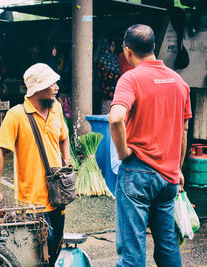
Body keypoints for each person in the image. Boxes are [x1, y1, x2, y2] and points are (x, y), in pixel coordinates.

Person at [109, 24, 191, 267]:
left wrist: (123, 152)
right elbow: (183, 133)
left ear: (127, 50)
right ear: (154, 47)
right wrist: (178, 168)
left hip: (138, 173)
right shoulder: (179, 82)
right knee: (167, 245)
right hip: (168, 177)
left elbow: (115, 119)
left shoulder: (130, 79)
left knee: (132, 249)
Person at [0, 63, 70, 266]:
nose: (56, 87)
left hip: (57, 197)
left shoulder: (57, 108)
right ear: (39, 87)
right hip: (30, 203)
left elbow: (64, 137)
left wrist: (66, 162)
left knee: (55, 250)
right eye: (52, 83)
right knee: (36, 255)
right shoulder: (16, 115)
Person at [96, 38, 120, 114]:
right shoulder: (101, 61)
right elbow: (104, 77)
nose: (113, 48)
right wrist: (116, 77)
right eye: (112, 46)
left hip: (117, 95)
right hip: (106, 95)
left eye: (114, 46)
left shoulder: (115, 59)